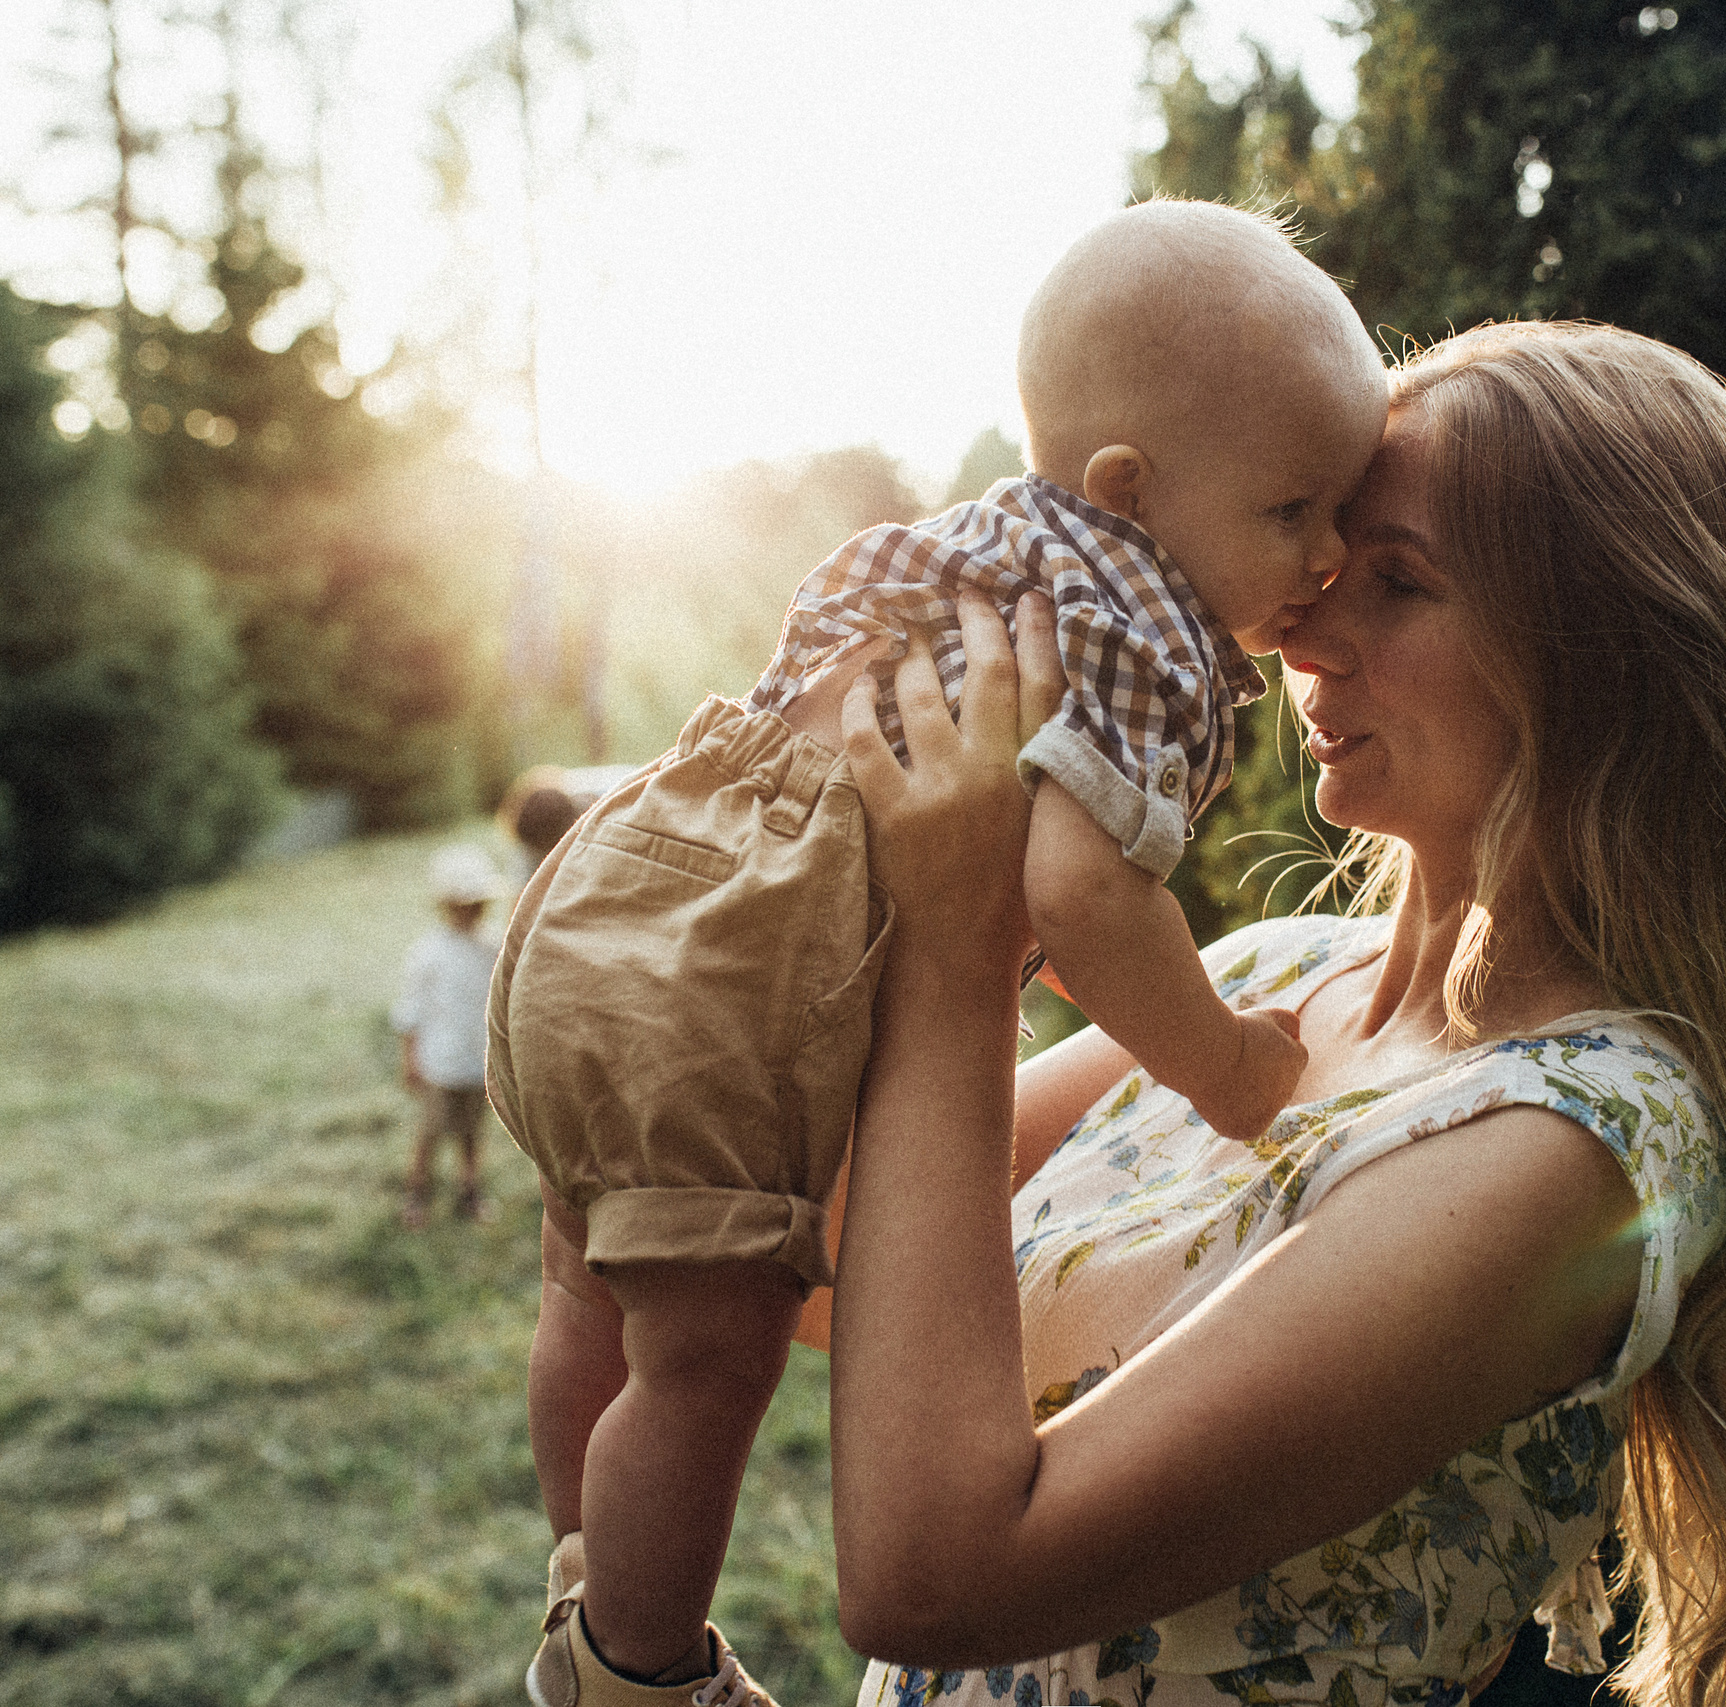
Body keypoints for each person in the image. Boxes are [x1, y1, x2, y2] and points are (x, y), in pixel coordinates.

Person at [825, 322, 1726, 1707]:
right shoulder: (1263, 979)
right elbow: (821, 1261)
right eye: (1320, 558)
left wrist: (958, 952)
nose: (1300, 621)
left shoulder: (1581, 1139)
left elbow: (934, 1575)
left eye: (1400, 581)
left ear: (1606, 656)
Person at [487, 200, 1389, 1707]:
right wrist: (1226, 1063)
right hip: (732, 988)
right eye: (1298, 511)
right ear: (1133, 490)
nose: (1330, 552)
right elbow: (1085, 898)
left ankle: (586, 1563)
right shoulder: (1141, 638)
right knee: (709, 1355)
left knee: (592, 1286)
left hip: (610, 892)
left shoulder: (981, 548)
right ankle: (633, 1667)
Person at [391, 843, 508, 1230]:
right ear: (444, 905)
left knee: (471, 1133)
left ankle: (469, 1191)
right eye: (461, 904)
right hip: (439, 1063)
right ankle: (416, 1194)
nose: (470, 912)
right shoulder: (428, 952)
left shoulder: (493, 946)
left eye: (476, 904)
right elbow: (410, 1011)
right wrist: (410, 1059)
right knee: (431, 1133)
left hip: (477, 1062)